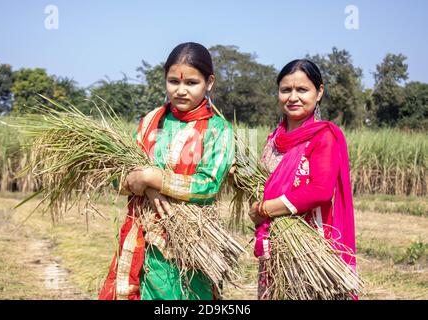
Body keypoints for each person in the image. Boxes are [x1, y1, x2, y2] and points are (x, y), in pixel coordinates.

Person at [98, 42, 235, 300]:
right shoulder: (151, 121)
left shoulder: (218, 130)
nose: (181, 90)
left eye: (191, 83)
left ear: (209, 83)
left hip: (190, 243)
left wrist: (153, 178)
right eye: (173, 81)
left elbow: (208, 185)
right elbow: (122, 176)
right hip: (143, 235)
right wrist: (147, 186)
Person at [248, 59, 357, 300]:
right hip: (277, 242)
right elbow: (263, 183)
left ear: (319, 92)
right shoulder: (274, 138)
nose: (293, 97)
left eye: (302, 90)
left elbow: (321, 190)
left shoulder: (323, 136)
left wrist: (265, 209)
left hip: (310, 245)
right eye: (286, 90)